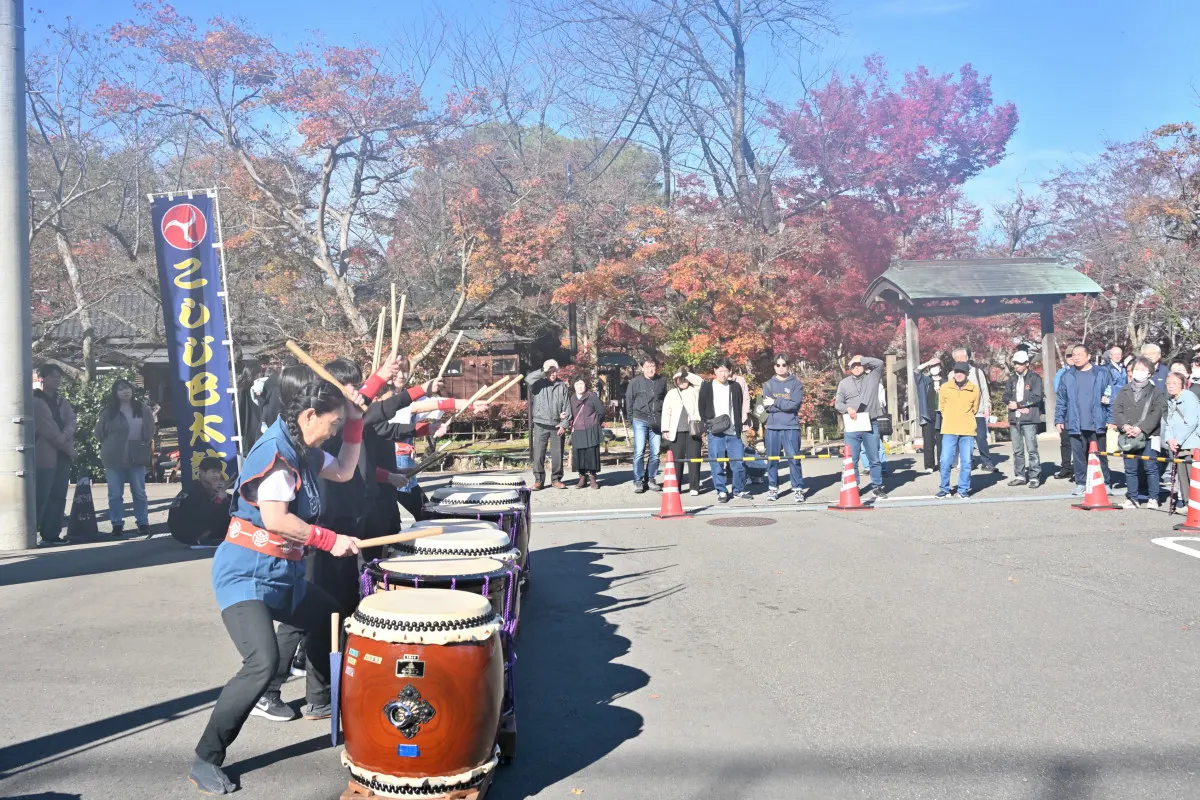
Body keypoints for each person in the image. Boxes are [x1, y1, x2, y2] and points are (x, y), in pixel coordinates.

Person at [188, 366, 368, 795]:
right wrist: (330, 540)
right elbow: (276, 519)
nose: (334, 431)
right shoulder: (278, 456)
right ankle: (206, 757)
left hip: (283, 573)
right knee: (262, 663)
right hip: (245, 573)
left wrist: (356, 423)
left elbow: (345, 470)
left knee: (328, 615)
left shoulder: (303, 449)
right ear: (309, 416)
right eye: (334, 423)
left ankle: (322, 701)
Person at [93, 378, 156, 537]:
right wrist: (113, 443)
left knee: (139, 492)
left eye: (127, 388)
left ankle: (142, 522)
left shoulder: (142, 408)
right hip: (114, 457)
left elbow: (150, 430)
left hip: (137, 456)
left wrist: (142, 444)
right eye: (120, 389)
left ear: (132, 390)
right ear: (115, 393)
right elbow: (99, 434)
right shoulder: (108, 411)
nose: (125, 391)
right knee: (115, 494)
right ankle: (117, 524)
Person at [1055, 344, 1114, 496]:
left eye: (1079, 354)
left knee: (1100, 455)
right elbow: (1061, 399)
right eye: (1073, 355)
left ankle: (1105, 482)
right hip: (1075, 422)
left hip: (1097, 421)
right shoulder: (1067, 376)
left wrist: (1111, 417)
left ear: (1088, 356)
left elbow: (1110, 395)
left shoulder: (1102, 373)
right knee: (1078, 456)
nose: (1076, 357)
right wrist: (1059, 419)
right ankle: (1081, 483)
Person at [1112, 357, 1166, 509]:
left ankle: (1153, 497)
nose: (1139, 372)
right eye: (1137, 369)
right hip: (1128, 434)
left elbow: (1157, 413)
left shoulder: (1156, 391)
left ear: (1150, 373)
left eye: (1143, 370)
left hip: (1149, 435)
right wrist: (1125, 426)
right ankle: (1132, 497)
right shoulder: (1124, 390)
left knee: (1151, 467)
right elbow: (1117, 410)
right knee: (1130, 469)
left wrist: (1141, 428)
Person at [33, 364, 77, 546]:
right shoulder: (35, 400)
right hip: (43, 455)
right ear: (41, 378)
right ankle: (31, 534)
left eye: (59, 376)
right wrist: (67, 446)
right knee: (41, 496)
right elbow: (48, 429)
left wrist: (65, 436)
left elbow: (71, 420)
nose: (57, 380)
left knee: (58, 496)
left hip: (62, 455)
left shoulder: (61, 400)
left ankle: (51, 534)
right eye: (53, 376)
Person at [834, 355, 888, 500]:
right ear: (849, 368)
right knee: (852, 458)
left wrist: (861, 359)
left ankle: (877, 486)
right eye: (853, 365)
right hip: (852, 423)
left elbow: (879, 363)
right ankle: (854, 486)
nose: (856, 367)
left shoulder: (872, 377)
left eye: (859, 364)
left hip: (870, 421)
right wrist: (847, 408)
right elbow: (838, 403)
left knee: (874, 457)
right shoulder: (844, 383)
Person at [699, 359, 750, 503]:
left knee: (739, 462)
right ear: (715, 371)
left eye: (726, 371)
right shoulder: (707, 387)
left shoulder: (735, 386)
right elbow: (701, 407)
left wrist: (742, 421)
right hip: (715, 431)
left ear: (730, 371)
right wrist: (708, 424)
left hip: (733, 431)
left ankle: (738, 489)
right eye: (720, 370)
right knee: (717, 463)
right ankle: (721, 490)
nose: (723, 374)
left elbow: (740, 405)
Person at [761, 355, 806, 502]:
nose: (781, 368)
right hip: (772, 427)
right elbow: (767, 407)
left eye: (784, 365)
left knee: (794, 459)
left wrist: (775, 401)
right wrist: (783, 404)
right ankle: (773, 488)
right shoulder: (767, 384)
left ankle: (797, 489)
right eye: (778, 365)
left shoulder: (796, 384)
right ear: (774, 366)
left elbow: (794, 405)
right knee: (772, 460)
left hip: (791, 426)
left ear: (788, 366)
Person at [952, 347, 1000, 475]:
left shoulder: (977, 372)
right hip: (961, 413)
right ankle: (969, 461)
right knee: (965, 439)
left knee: (981, 437)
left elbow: (984, 390)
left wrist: (987, 407)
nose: (960, 360)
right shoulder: (952, 375)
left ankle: (987, 462)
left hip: (978, 411)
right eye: (957, 358)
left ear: (967, 358)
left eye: (962, 357)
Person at [936, 362, 980, 499]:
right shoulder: (945, 387)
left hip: (967, 430)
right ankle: (944, 488)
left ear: (967, 374)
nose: (959, 374)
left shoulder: (974, 389)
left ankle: (963, 489)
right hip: (949, 429)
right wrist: (950, 417)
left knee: (966, 462)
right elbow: (942, 406)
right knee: (945, 460)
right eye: (956, 372)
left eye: (962, 372)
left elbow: (975, 408)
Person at [526, 360, 570, 491]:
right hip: (540, 423)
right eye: (550, 371)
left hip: (557, 425)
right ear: (546, 371)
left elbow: (567, 406)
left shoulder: (562, 386)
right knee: (538, 454)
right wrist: (543, 371)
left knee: (557, 454)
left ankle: (556, 479)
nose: (553, 374)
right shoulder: (538, 383)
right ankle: (539, 481)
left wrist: (564, 424)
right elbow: (528, 379)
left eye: (554, 371)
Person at [168, 457, 232, 547]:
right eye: (213, 472)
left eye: (218, 472)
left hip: (190, 529)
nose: (216, 475)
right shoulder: (193, 490)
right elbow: (204, 512)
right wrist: (219, 499)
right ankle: (203, 538)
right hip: (188, 533)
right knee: (224, 510)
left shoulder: (205, 487)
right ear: (201, 472)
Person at [625, 356, 667, 493]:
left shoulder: (662, 381)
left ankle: (651, 478)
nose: (650, 369)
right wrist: (631, 419)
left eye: (653, 366)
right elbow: (629, 401)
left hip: (656, 420)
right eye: (647, 366)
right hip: (640, 419)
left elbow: (665, 400)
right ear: (642, 368)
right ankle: (638, 480)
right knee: (639, 451)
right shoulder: (635, 382)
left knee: (655, 452)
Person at [1002, 351, 1044, 488]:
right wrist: (1011, 403)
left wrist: (1020, 405)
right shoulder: (1012, 379)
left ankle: (1034, 476)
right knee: (1017, 450)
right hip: (1015, 419)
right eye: (1015, 363)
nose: (1017, 366)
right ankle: (1019, 475)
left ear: (1027, 364)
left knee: (1032, 449)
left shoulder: (1035, 378)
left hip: (1030, 419)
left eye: (1019, 363)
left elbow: (1037, 397)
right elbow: (1005, 396)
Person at [661, 368, 703, 495]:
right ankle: (676, 486)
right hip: (676, 431)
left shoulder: (695, 390)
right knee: (676, 461)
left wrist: (686, 374)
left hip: (693, 430)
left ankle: (694, 487)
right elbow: (666, 412)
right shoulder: (672, 393)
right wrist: (665, 429)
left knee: (694, 459)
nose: (682, 381)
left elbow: (700, 381)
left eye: (685, 379)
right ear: (675, 380)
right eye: (680, 379)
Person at [1163, 372, 1200, 513]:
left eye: (1174, 383)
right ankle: (1188, 503)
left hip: (1191, 444)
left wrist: (1177, 440)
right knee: (1182, 476)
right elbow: (1168, 423)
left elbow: (1191, 423)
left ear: (1183, 384)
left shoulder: (1189, 398)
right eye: (1168, 383)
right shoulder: (1171, 400)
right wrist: (1169, 439)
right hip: (1178, 445)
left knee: (1193, 476)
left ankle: (1196, 504)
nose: (1171, 386)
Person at [569, 377, 606, 489]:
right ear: (574, 386)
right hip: (578, 430)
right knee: (579, 455)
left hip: (591, 429)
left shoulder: (592, 397)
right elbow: (569, 414)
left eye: (581, 384)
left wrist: (594, 423)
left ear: (585, 385)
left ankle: (593, 478)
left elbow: (601, 412)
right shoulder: (572, 398)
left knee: (592, 454)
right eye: (577, 384)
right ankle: (582, 478)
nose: (579, 386)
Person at [915, 358, 942, 474]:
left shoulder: (946, 382)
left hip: (941, 415)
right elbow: (916, 371)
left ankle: (942, 464)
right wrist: (927, 363)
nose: (934, 368)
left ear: (940, 368)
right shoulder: (925, 381)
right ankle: (929, 465)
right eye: (932, 367)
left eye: (936, 366)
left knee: (941, 441)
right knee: (928, 441)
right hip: (927, 415)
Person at [1052, 356, 1075, 480]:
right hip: (1066, 412)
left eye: (1073, 355)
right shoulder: (1061, 373)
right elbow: (1057, 389)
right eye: (1069, 356)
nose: (1072, 358)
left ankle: (1079, 469)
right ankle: (1066, 468)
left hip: (1078, 412)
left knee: (1080, 444)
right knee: (1065, 442)